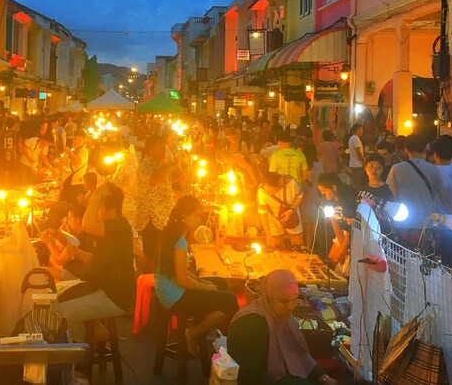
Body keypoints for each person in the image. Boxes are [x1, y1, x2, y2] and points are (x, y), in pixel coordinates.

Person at [155, 196, 239, 356]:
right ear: (185, 217)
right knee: (230, 302)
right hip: (175, 297)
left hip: (168, 291)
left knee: (220, 283)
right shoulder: (179, 241)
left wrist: (202, 282)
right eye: (196, 216)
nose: (199, 220)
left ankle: (203, 327)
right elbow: (182, 280)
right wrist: (206, 287)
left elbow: (179, 272)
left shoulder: (170, 235)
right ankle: (194, 332)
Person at [228, 269, 339, 385]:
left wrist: (323, 377)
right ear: (270, 296)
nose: (290, 307)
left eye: (294, 300)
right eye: (284, 301)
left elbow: (297, 352)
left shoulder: (280, 316)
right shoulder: (252, 323)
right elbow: (252, 373)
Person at [56, 184, 134, 343]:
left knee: (63, 312)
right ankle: (95, 333)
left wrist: (98, 194)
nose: (97, 212)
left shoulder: (118, 226)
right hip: (102, 286)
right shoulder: (111, 228)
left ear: (110, 210)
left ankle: (75, 357)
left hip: (114, 293)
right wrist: (78, 254)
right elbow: (98, 259)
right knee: (56, 298)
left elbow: (87, 224)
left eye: (100, 208)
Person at [386, 135, 449, 249]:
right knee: (427, 260)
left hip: (404, 222)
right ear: (424, 149)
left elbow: (392, 195)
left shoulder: (396, 168)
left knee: (405, 258)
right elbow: (444, 196)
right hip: (427, 221)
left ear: (406, 149)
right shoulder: (434, 169)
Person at [135, 136, 178, 269]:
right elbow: (153, 179)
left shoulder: (160, 163)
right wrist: (170, 167)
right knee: (150, 253)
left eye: (164, 147)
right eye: (160, 147)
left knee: (161, 252)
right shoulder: (145, 165)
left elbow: (172, 178)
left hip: (163, 216)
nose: (164, 150)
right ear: (150, 149)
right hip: (152, 217)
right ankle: (147, 282)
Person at [316, 174, 359, 272]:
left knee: (345, 265)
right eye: (321, 191)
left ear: (334, 188)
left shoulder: (349, 201)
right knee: (333, 258)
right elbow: (334, 221)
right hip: (343, 231)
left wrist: (344, 249)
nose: (323, 194)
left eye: (324, 191)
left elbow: (352, 228)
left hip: (355, 233)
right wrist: (341, 243)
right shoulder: (328, 201)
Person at [258, 171, 304, 249]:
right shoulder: (262, 190)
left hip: (291, 217)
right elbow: (263, 213)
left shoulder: (291, 183)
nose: (271, 193)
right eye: (268, 191)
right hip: (273, 219)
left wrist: (292, 209)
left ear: (278, 184)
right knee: (276, 246)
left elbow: (299, 197)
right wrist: (268, 234)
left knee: (297, 244)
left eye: (273, 191)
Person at [61, 130, 89, 203]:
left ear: (84, 140)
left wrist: (69, 152)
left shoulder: (83, 151)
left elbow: (78, 162)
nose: (76, 141)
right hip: (70, 181)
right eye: (75, 139)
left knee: (73, 204)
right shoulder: (75, 149)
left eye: (79, 139)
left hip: (76, 184)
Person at [347, 124, 365, 188]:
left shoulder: (352, 138)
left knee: (355, 183)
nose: (362, 131)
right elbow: (358, 151)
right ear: (358, 129)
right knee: (358, 184)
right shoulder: (355, 138)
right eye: (362, 129)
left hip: (353, 164)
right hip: (357, 165)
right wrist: (363, 161)